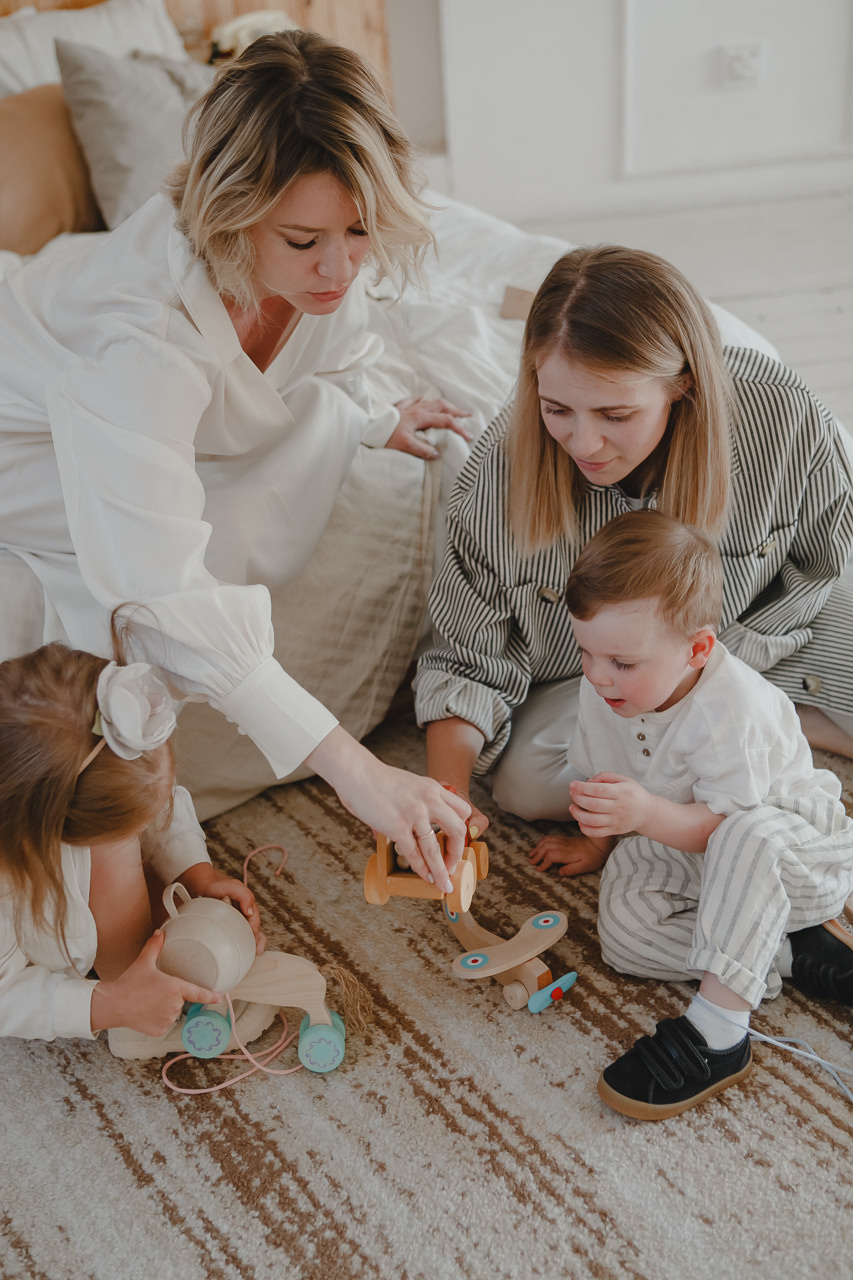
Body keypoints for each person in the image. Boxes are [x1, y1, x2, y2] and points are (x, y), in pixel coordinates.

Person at [0, 30, 471, 890]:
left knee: (285, 445)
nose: (338, 267)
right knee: (118, 589)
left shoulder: (320, 272)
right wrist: (355, 770)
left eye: (360, 228)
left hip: (99, 382)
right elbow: (164, 591)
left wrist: (371, 420)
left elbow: (309, 374)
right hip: (16, 432)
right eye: (302, 239)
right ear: (230, 212)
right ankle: (151, 847)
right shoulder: (142, 340)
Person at [415, 244, 853, 836]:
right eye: (557, 409)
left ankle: (771, 727)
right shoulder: (498, 476)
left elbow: (820, 563)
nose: (583, 444)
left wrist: (722, 680)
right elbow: (468, 660)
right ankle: (763, 740)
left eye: (615, 416)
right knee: (526, 783)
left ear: (682, 386)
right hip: (600, 686)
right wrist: (446, 798)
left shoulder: (782, 416)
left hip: (763, 636)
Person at [529, 509, 853, 1120]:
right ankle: (786, 953)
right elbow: (610, 780)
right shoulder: (602, 690)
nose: (597, 676)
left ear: (698, 649)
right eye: (585, 652)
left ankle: (720, 1031)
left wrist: (645, 811)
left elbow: (723, 830)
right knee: (624, 933)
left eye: (622, 663)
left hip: (790, 848)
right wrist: (598, 841)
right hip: (688, 840)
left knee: (743, 833)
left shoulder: (733, 708)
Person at [0, 642, 266, 1042]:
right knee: (121, 860)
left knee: (151, 875)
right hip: (35, 944)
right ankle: (137, 1011)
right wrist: (110, 1005)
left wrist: (196, 874)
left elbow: (159, 805)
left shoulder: (80, 753)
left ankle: (150, 975)